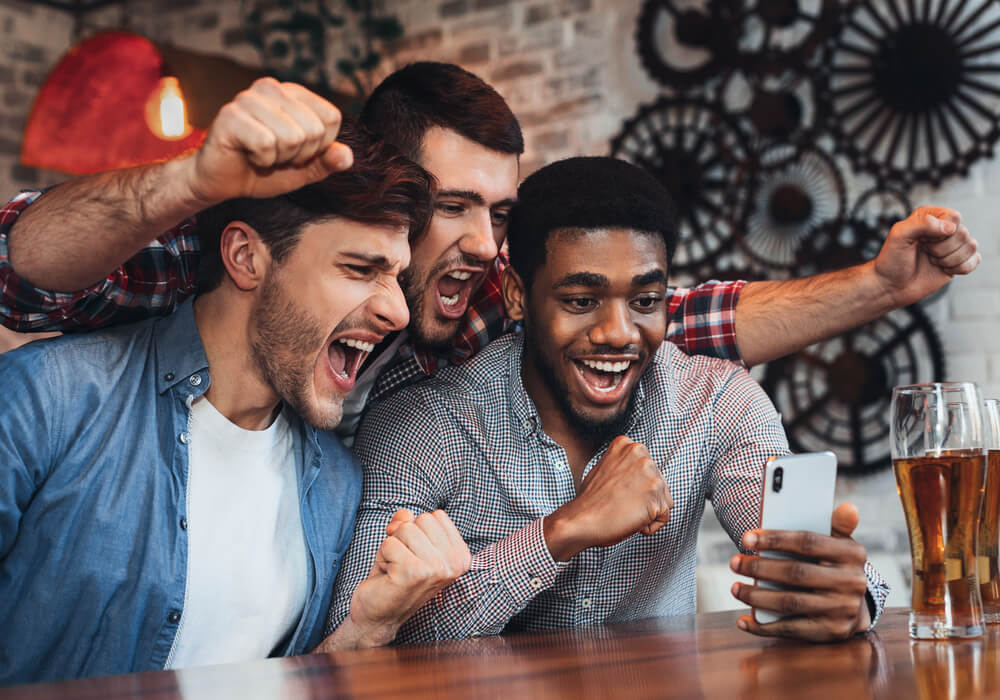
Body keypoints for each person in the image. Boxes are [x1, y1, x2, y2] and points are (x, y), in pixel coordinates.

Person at [0, 64, 980, 444]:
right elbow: (21, 265)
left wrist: (879, 286)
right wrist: (191, 178)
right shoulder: (256, 258)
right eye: (453, 206)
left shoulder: (480, 305)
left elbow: (672, 319)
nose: (483, 243)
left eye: (500, 213)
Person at [328, 156, 888, 644]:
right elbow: (367, 630)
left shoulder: (718, 403)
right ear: (520, 296)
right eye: (580, 300)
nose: (619, 332)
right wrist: (562, 532)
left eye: (645, 299)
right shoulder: (421, 425)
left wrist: (850, 598)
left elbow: (786, 549)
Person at [0, 127, 471, 685]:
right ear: (246, 257)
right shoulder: (51, 397)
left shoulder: (335, 485)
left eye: (395, 276)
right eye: (360, 269)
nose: (397, 312)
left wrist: (366, 629)